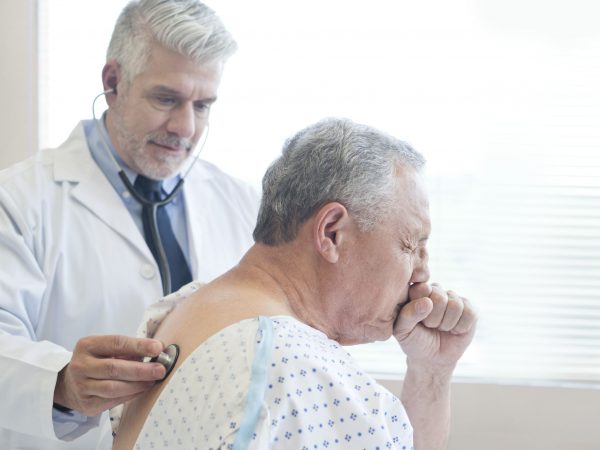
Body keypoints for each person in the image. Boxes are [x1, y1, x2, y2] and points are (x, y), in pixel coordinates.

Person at [110, 118, 477, 450]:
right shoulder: (302, 373)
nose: (421, 274)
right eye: (411, 245)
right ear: (332, 233)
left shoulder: (186, 311)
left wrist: (432, 367)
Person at [0, 1, 259, 448]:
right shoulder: (19, 200)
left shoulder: (242, 202)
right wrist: (61, 384)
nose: (185, 127)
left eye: (203, 105)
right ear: (113, 82)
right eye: (166, 99)